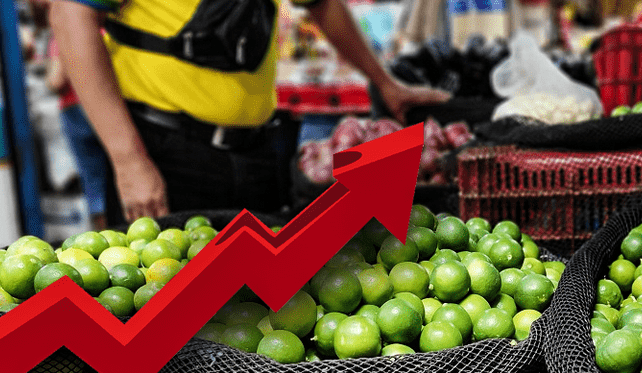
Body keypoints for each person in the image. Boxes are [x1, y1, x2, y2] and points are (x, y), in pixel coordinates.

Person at [49, 0, 449, 223]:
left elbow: (323, 6)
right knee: (171, 324)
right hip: (165, 155)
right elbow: (70, 16)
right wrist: (128, 160)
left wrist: (385, 83)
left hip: (257, 155)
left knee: (258, 316)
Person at [48, 35, 114, 229]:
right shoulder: (106, 27)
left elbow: (56, 81)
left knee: (93, 179)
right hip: (110, 107)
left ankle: (105, 239)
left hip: (75, 110)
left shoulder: (66, 30)